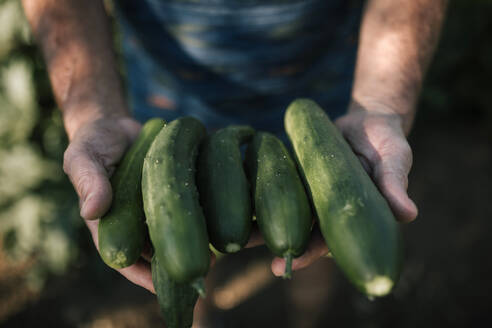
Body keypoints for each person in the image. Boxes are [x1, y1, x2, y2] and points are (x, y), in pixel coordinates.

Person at [21, 0, 447, 294]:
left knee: (315, 244)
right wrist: (94, 113)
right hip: (167, 94)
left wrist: (380, 103)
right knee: (194, 244)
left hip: (332, 95)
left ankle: (308, 317)